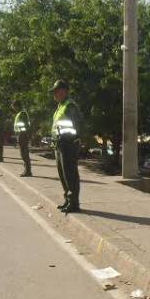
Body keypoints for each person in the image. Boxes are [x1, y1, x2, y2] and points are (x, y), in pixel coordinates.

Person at [50, 79, 83, 213]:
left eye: (56, 91)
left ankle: (74, 203)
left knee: (70, 174)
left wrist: (73, 141)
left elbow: (78, 126)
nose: (54, 94)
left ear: (64, 91)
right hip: (59, 144)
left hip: (68, 144)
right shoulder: (60, 106)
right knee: (63, 174)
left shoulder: (70, 106)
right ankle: (68, 200)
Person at [13, 100, 33, 177]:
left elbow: (26, 125)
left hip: (23, 135)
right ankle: (27, 170)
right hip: (20, 135)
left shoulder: (22, 113)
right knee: (23, 153)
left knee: (24, 153)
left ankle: (28, 171)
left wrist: (26, 135)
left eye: (14, 106)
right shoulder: (19, 113)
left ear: (17, 106)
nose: (14, 108)